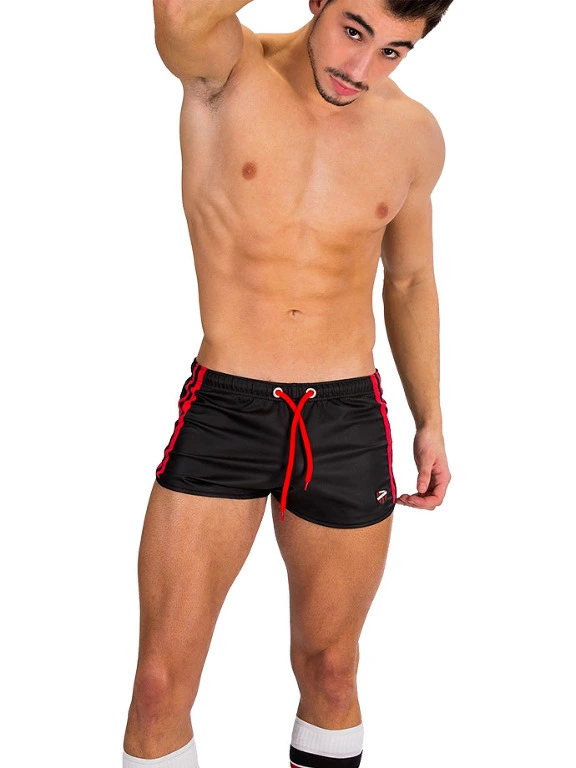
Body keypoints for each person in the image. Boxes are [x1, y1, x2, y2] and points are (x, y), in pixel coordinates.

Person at [123, 0, 454, 765]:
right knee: (159, 687)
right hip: (228, 404)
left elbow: (409, 280)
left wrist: (431, 417)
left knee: (333, 672)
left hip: (346, 415)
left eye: (395, 50)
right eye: (353, 30)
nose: (361, 69)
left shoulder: (414, 133)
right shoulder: (226, 72)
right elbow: (179, 15)